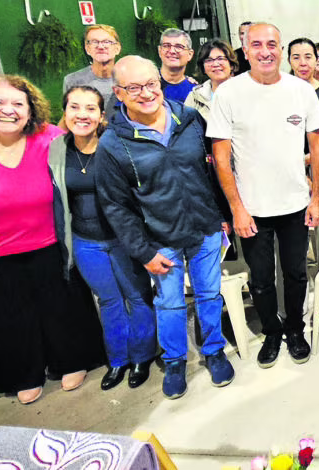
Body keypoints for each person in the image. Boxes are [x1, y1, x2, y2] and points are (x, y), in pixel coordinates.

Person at [0, 75, 105, 405]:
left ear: (30, 108)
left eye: (17, 103)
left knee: (63, 308)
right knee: (6, 317)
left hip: (51, 243)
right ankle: (24, 374)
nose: (7, 110)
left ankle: (72, 361)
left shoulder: (50, 138)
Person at [96, 56, 234, 400]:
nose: (146, 93)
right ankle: (174, 361)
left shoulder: (189, 119)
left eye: (151, 84)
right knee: (170, 303)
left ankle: (214, 350)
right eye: (134, 88)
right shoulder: (113, 143)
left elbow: (213, 170)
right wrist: (143, 251)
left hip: (204, 227)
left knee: (209, 294)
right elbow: (115, 205)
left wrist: (223, 214)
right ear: (118, 93)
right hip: (160, 238)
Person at [209, 23, 319, 370]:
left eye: (272, 44)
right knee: (260, 280)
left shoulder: (300, 90)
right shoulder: (229, 93)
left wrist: (315, 198)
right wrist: (237, 208)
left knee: (296, 274)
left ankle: (295, 329)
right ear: (245, 51)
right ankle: (272, 332)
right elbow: (220, 157)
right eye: (257, 45)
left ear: (281, 50)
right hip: (252, 209)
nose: (265, 51)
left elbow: (317, 148)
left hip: (295, 204)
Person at [49, 85, 157, 391]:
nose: (82, 115)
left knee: (137, 296)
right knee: (108, 301)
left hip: (124, 238)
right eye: (74, 107)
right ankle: (118, 359)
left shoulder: (114, 145)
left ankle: (142, 356)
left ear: (100, 115)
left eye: (90, 108)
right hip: (85, 242)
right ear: (65, 112)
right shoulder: (57, 149)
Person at [63, 24, 122, 120]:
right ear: (87, 49)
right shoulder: (72, 81)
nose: (101, 46)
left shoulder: (130, 80)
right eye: (94, 42)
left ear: (117, 48)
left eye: (107, 42)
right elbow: (68, 118)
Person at [186, 39, 238, 121]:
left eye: (220, 58)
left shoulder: (247, 91)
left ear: (231, 64)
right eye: (209, 60)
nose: (215, 64)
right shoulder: (194, 97)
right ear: (203, 68)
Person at [157, 28, 196, 102]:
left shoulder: (195, 92)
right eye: (166, 46)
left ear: (190, 54)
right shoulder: (146, 84)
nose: (172, 51)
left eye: (179, 47)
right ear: (159, 51)